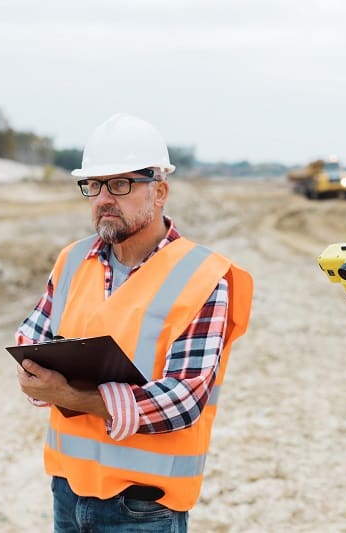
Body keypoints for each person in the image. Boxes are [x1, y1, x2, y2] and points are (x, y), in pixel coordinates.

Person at [14, 113, 253, 532]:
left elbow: (182, 399)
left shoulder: (201, 275)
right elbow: (30, 342)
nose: (104, 198)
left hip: (145, 508)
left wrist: (73, 394)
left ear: (159, 192)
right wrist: (37, 378)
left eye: (121, 184)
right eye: (94, 186)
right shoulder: (72, 260)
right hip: (68, 491)